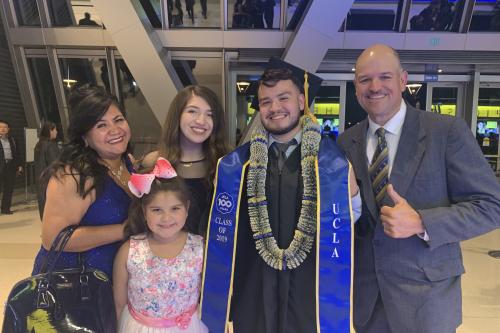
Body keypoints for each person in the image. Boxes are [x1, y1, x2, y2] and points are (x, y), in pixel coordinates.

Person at [337, 44, 500, 333]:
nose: (375, 87)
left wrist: (423, 222)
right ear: (355, 86)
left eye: (385, 77)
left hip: (427, 303)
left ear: (403, 80)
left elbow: (491, 206)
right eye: (365, 80)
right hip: (368, 302)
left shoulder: (446, 132)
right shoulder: (345, 142)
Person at [200, 58, 362, 332]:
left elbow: (346, 227)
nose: (274, 108)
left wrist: (353, 196)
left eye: (283, 98)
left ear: (301, 101)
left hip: (309, 290)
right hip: (254, 289)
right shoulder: (237, 165)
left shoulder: (331, 163)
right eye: (265, 102)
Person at [31, 85, 133, 279]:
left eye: (118, 119)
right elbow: (53, 239)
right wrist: (125, 230)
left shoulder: (127, 163)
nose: (115, 130)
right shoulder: (75, 175)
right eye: (101, 125)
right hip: (73, 286)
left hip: (111, 280)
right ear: (85, 137)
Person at [113, 158, 208, 332]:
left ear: (187, 208)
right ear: (144, 211)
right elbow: (119, 304)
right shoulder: (129, 251)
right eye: (157, 210)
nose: (166, 218)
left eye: (175, 209)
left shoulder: (200, 248)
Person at [142, 85, 230, 236]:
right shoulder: (154, 162)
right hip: (169, 252)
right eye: (192, 111)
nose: (201, 120)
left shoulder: (226, 163)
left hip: (213, 252)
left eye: (210, 115)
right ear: (178, 115)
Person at [34, 121, 61, 219]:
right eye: (55, 130)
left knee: (43, 200)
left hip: (41, 177)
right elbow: (55, 163)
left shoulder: (38, 144)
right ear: (50, 131)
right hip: (51, 178)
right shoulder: (50, 145)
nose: (56, 132)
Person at [0, 119, 23, 215]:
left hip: (10, 166)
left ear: (8, 129)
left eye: (5, 127)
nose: (2, 129)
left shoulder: (12, 139)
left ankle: (5, 209)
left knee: (9, 189)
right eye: (0, 127)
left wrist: (19, 165)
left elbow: (17, 153)